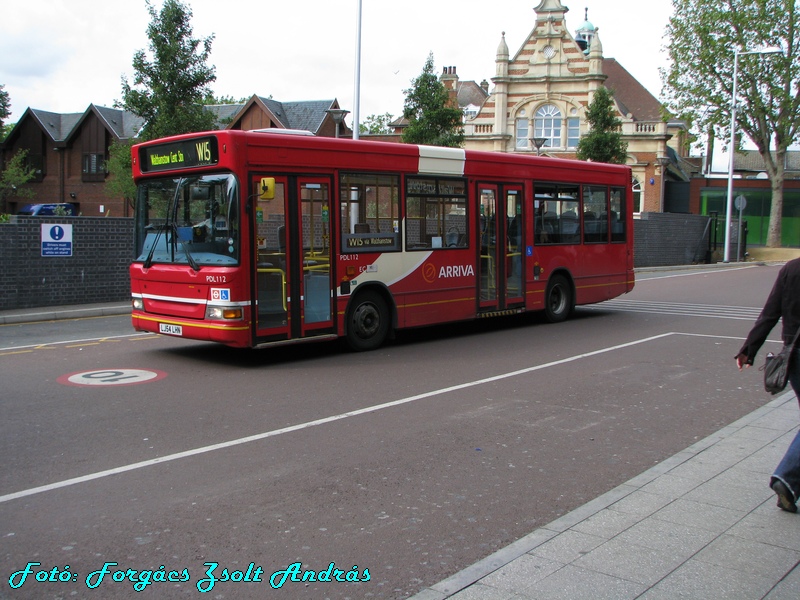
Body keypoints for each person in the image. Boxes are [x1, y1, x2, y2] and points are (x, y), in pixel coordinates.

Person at [736, 257, 800, 513]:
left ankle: (790, 484)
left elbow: (771, 312)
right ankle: (786, 478)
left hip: (794, 357)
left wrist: (748, 350)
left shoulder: (792, 268)